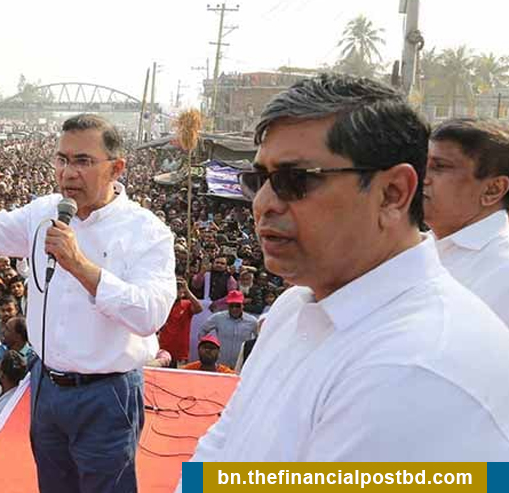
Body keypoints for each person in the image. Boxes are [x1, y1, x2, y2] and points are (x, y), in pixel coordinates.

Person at [177, 74, 509, 485]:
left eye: (296, 180)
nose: (263, 204)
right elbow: (224, 445)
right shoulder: (294, 307)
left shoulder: (417, 368)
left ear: (392, 193)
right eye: (259, 180)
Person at [0, 113, 176, 493]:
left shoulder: (147, 232)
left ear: (116, 168)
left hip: (107, 394)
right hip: (46, 385)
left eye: (83, 161)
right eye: (62, 159)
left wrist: (80, 266)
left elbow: (149, 315)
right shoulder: (45, 212)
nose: (68, 173)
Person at [424, 118, 509, 325]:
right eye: (421, 164)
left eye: (439, 167)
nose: (422, 178)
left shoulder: (502, 269)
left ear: (493, 190)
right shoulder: (419, 246)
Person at [197, 290, 258, 368]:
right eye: (231, 306)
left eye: (237, 306)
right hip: (221, 364)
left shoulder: (252, 321)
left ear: (243, 305)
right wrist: (207, 347)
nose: (234, 309)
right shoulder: (218, 318)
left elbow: (259, 339)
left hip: (241, 365)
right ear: (227, 305)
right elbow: (202, 331)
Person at [159, 278, 203, 365]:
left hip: (180, 352)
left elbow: (199, 308)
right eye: (175, 287)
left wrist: (187, 290)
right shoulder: (163, 304)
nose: (177, 290)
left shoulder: (186, 304)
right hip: (163, 351)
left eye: (179, 288)